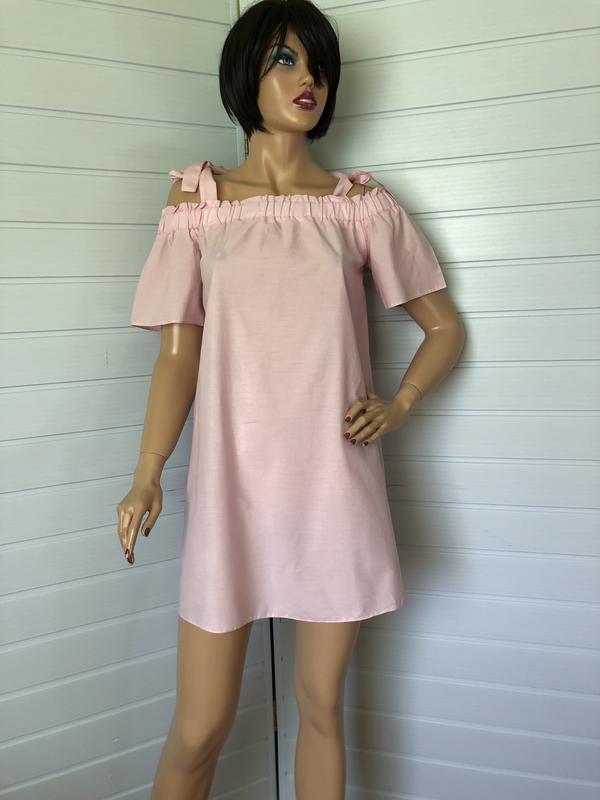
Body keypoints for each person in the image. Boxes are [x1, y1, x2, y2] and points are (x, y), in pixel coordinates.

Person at [117, 1, 465, 797]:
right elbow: (178, 354)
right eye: (285, 59)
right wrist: (147, 471)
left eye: (318, 65)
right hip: (231, 486)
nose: (309, 79)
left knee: (320, 707)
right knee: (200, 727)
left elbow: (444, 328)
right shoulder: (198, 207)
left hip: (332, 482)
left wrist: (400, 403)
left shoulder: (358, 207)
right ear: (246, 72)